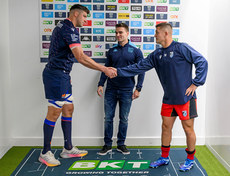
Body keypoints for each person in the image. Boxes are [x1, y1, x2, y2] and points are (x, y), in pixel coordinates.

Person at [113, 22, 208, 171]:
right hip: (169, 99)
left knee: (188, 129)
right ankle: (164, 158)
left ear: (166, 33)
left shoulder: (181, 48)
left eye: (156, 32)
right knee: (165, 127)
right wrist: (117, 71)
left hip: (185, 99)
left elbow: (202, 61)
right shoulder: (157, 55)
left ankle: (190, 159)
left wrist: (196, 83)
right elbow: (138, 67)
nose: (154, 35)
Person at [39, 4, 116, 167]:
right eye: (84, 17)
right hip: (56, 75)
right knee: (54, 112)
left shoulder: (64, 26)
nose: (86, 21)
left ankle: (67, 148)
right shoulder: (69, 29)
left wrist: (65, 76)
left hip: (62, 75)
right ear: (76, 14)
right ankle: (45, 153)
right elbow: (80, 57)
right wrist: (104, 68)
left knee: (68, 108)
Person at [97, 23, 145, 155]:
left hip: (127, 90)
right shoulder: (112, 51)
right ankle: (107, 145)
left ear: (127, 33)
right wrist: (100, 84)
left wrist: (138, 88)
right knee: (108, 118)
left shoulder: (136, 51)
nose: (118, 35)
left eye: (121, 32)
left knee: (124, 118)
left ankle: (121, 144)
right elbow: (105, 69)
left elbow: (142, 70)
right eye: (116, 33)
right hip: (111, 89)